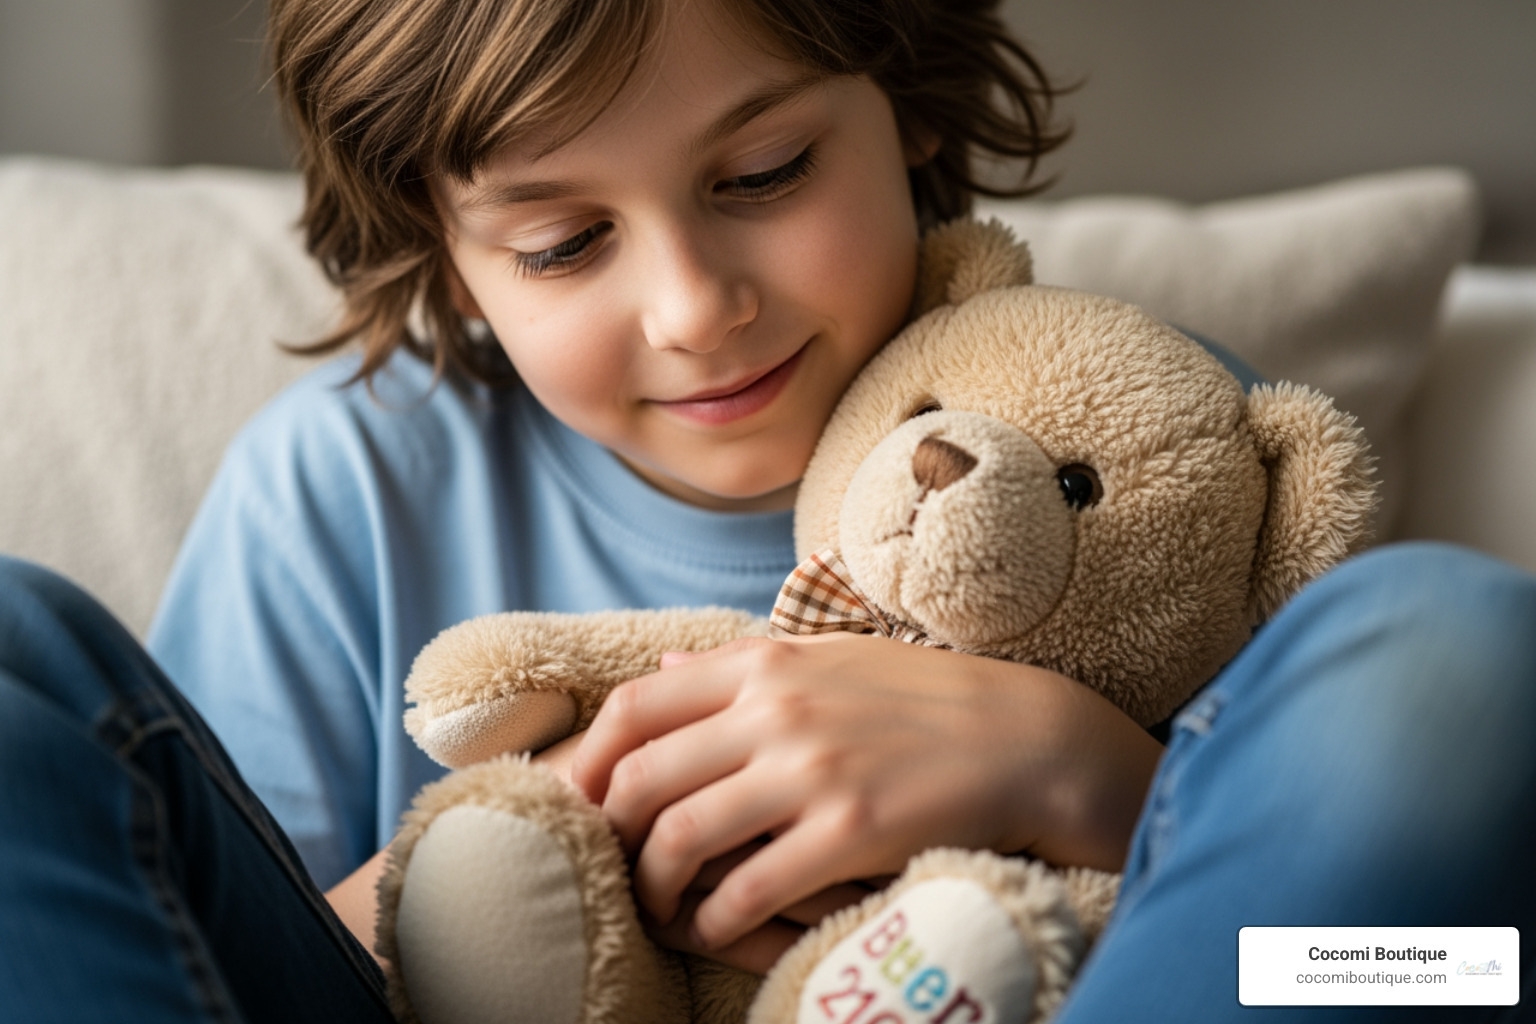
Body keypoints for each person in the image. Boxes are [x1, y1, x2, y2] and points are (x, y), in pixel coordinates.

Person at [0, 2, 1530, 1022]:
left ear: (905, 105)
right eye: (561, 242)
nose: (693, 309)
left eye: (767, 171)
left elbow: (1459, 977)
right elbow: (194, 954)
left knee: (1450, 640)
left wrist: (1097, 787)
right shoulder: (345, 487)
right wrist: (554, 846)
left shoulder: (1143, 439)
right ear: (443, 253)